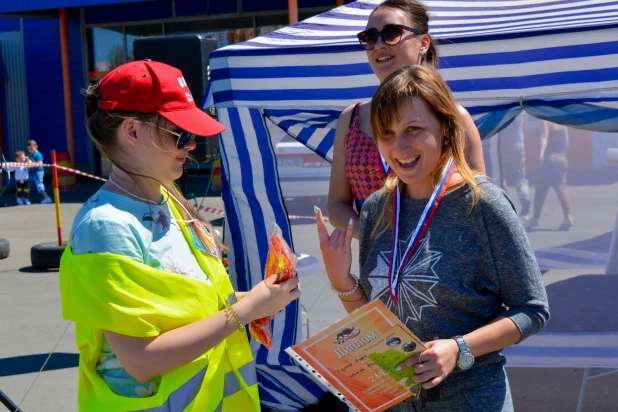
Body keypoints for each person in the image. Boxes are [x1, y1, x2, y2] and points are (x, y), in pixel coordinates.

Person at [59, 60, 300, 411]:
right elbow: (141, 360)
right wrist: (245, 310)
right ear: (132, 131)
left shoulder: (169, 202)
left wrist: (262, 299)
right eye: (180, 133)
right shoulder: (107, 227)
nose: (191, 146)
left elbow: (189, 305)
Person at [315, 66, 549, 411]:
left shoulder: (483, 204)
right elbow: (377, 322)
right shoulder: (377, 208)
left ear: (445, 129)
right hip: (395, 401)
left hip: (471, 399)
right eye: (387, 133)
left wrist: (458, 348)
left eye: (414, 129)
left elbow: (532, 309)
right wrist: (342, 281)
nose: (400, 147)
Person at [328, 0, 485, 238]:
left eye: (391, 33)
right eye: (370, 37)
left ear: (423, 43)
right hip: (379, 267)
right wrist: (378, 237)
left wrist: (421, 241)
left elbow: (477, 201)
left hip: (441, 262)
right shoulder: (351, 118)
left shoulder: (454, 117)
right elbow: (337, 205)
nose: (379, 44)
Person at [524, 120, 573, 230]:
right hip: (561, 158)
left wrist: (541, 154)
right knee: (561, 189)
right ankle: (567, 217)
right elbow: (566, 140)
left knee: (540, 189)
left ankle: (535, 218)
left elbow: (544, 136)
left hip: (548, 159)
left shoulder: (544, 121)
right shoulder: (561, 121)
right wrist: (562, 154)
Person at [497, 113, 530, 216]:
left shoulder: (503, 111)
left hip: (504, 145)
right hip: (518, 144)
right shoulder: (522, 112)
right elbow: (525, 128)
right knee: (520, 175)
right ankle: (525, 197)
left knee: (502, 176)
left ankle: (504, 202)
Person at [26, 139, 52, 204]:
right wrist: (27, 171)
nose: (30, 150)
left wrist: (32, 164)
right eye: (29, 149)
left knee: (39, 185)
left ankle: (47, 198)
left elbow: (39, 163)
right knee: (28, 185)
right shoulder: (30, 155)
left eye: (31, 148)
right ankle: (26, 198)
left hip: (38, 172)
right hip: (32, 172)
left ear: (36, 147)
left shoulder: (38, 154)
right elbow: (28, 165)